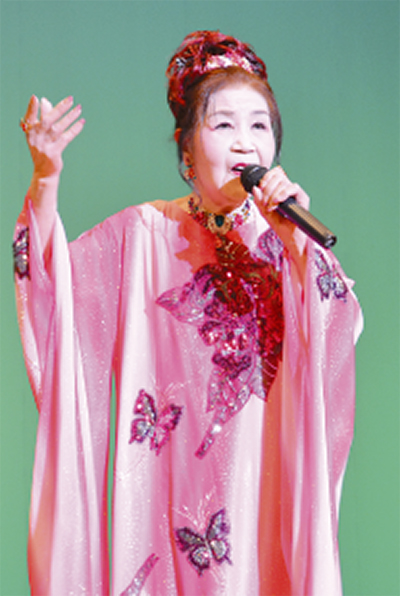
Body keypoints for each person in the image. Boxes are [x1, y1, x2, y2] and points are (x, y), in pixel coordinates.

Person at [14, 30, 363, 596]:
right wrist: (46, 178)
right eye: (223, 124)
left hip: (259, 492)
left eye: (260, 126)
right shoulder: (143, 235)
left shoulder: (289, 244)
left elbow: (337, 334)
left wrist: (301, 250)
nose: (245, 141)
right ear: (185, 151)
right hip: (160, 493)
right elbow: (55, 296)